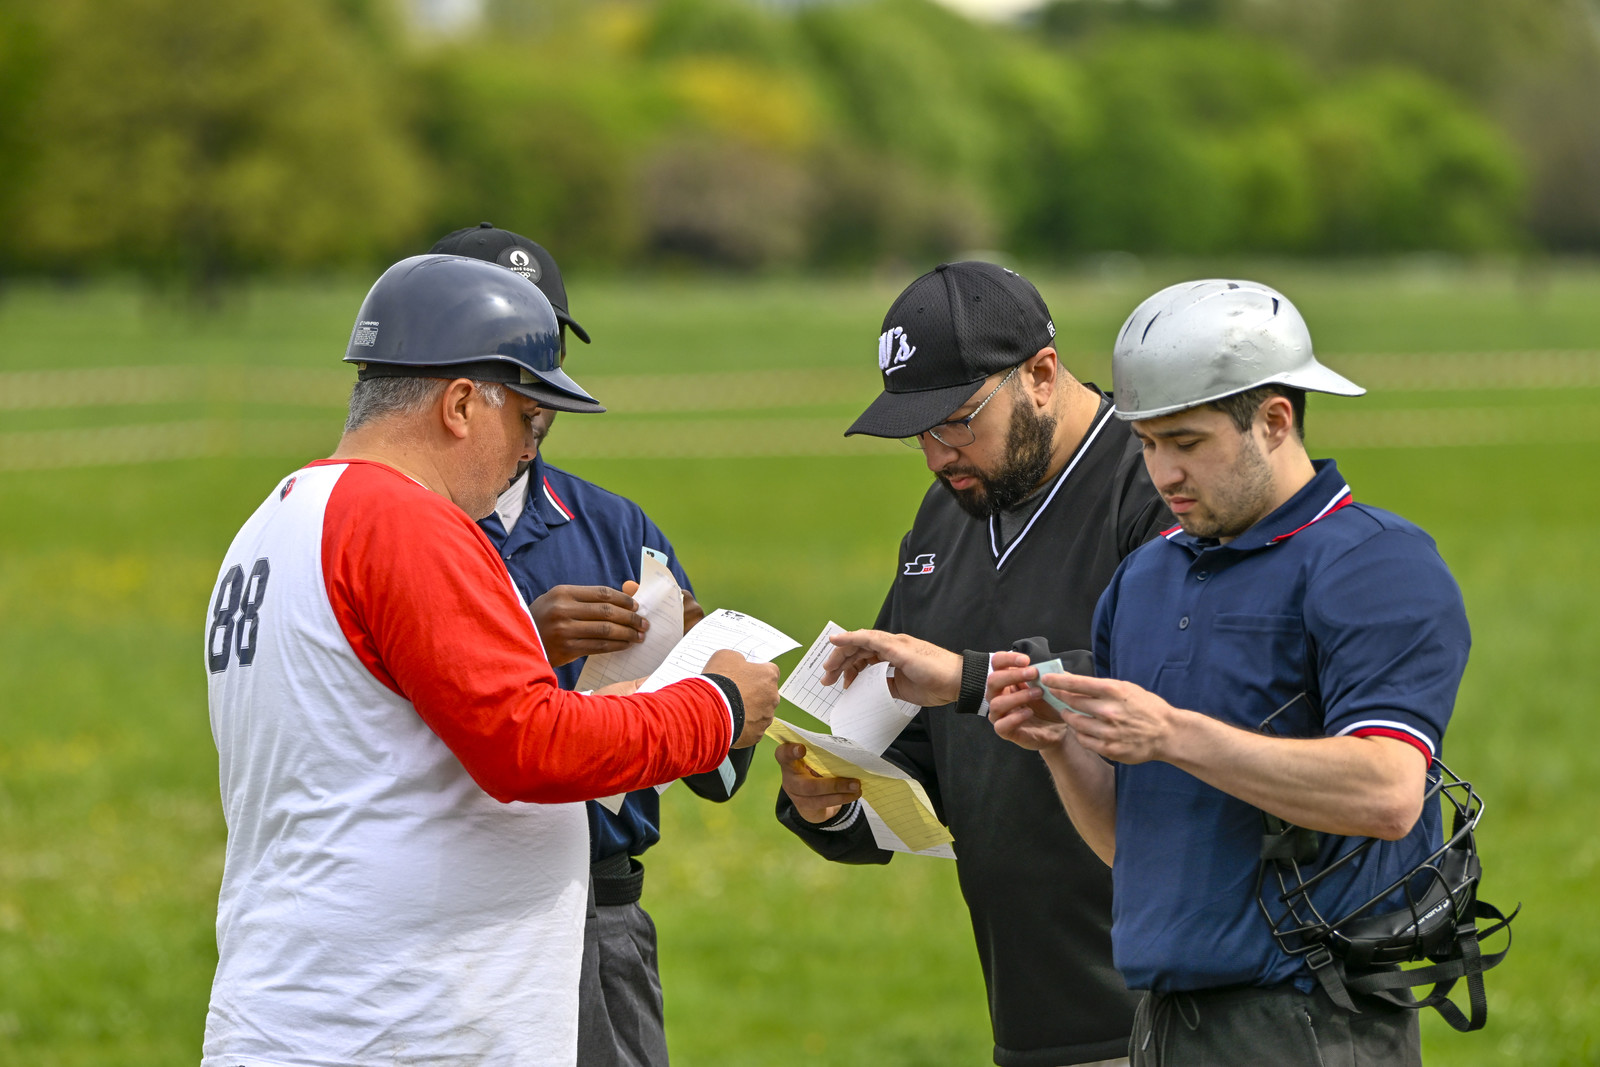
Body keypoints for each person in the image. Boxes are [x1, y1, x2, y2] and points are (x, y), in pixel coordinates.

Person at [200, 253, 779, 1067]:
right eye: (527, 419)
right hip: (399, 1022)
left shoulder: (276, 517)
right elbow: (531, 744)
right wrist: (714, 705)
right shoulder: (404, 520)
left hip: (312, 1006)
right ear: (463, 404)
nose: (528, 451)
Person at [985, 279, 1470, 1065]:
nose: (1162, 472)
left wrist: (1172, 733)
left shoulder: (1374, 561)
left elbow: (1386, 791)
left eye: (1188, 441)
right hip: (1164, 1022)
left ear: (1275, 420)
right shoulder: (1141, 580)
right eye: (1146, 443)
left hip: (1313, 1021)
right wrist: (1060, 747)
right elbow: (1131, 843)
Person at [773, 261, 1171, 1067]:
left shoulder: (1157, 481)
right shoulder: (949, 511)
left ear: (1041, 375)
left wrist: (970, 675)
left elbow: (1169, 698)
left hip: (1168, 1008)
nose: (934, 456)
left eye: (956, 421)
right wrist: (833, 802)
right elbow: (919, 748)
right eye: (917, 431)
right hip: (1030, 1014)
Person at [428, 222, 751, 1067]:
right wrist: (526, 641)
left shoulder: (614, 527)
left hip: (597, 921)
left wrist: (697, 666)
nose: (536, 400)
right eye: (510, 364)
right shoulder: (399, 532)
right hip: (444, 919)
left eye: (547, 356)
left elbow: (717, 773)